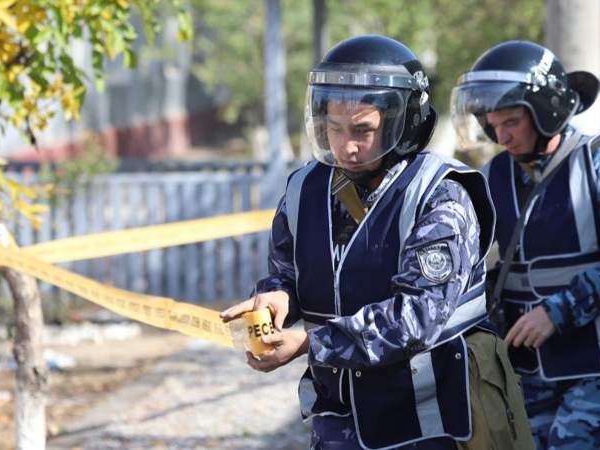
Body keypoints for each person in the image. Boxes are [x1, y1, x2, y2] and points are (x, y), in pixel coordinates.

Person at [222, 35, 532, 450]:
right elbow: (287, 273)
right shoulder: (304, 189)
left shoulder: (440, 194)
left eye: (363, 131)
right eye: (334, 129)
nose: (346, 146)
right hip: (337, 417)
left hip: (427, 419)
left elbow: (418, 316)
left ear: (402, 123)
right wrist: (275, 299)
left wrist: (309, 343)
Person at [450, 40, 600, 449]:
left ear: (546, 112)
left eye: (512, 122)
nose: (502, 135)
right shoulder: (495, 174)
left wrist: (557, 311)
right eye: (493, 124)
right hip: (529, 367)